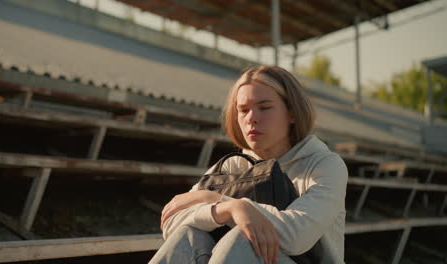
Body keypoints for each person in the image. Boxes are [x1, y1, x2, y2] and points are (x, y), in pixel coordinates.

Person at [149, 66, 348, 264]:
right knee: (188, 235)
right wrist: (230, 208)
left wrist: (217, 199)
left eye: (264, 107)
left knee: (244, 240)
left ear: (292, 113)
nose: (251, 118)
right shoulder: (233, 166)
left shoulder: (325, 165)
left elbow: (296, 236)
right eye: (243, 110)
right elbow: (171, 223)